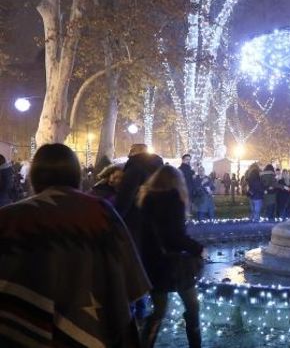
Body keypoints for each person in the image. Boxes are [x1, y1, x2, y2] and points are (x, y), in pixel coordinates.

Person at [0, 144, 150, 346]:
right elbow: (129, 277)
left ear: (34, 176)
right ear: (75, 174)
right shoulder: (100, 213)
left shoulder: (9, 219)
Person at [138, 165, 205, 348]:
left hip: (152, 265)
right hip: (174, 267)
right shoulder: (173, 200)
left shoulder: (145, 200)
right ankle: (195, 344)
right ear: (177, 182)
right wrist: (198, 248)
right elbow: (175, 237)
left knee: (158, 310)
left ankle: (145, 343)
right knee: (192, 306)